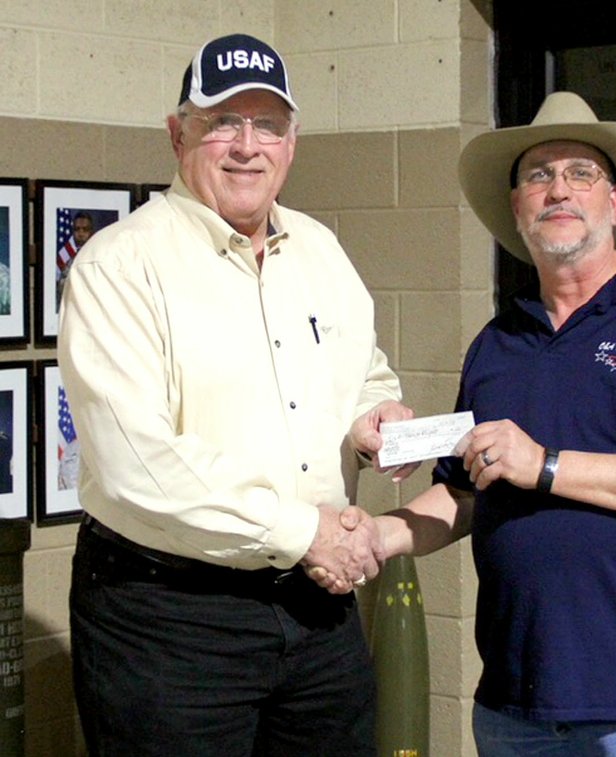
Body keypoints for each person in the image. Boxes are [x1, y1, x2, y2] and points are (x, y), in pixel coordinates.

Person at [321, 92, 616, 755]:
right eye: (538, 176)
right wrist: (376, 535)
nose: (558, 190)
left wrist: (545, 464)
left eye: (581, 173)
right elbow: (464, 493)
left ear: (615, 201)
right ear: (516, 210)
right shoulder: (499, 341)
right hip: (514, 706)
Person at [57, 33, 413, 757]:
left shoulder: (321, 249)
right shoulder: (119, 267)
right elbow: (141, 469)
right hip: (169, 619)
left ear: (292, 141)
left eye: (268, 125)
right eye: (222, 121)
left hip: (318, 614)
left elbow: (362, 369)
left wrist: (373, 415)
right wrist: (307, 532)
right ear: (176, 134)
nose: (247, 146)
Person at [56, 210, 95, 309]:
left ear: (91, 231)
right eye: (77, 229)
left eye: (85, 229)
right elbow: (59, 282)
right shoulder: (66, 255)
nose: (81, 233)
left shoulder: (96, 253)